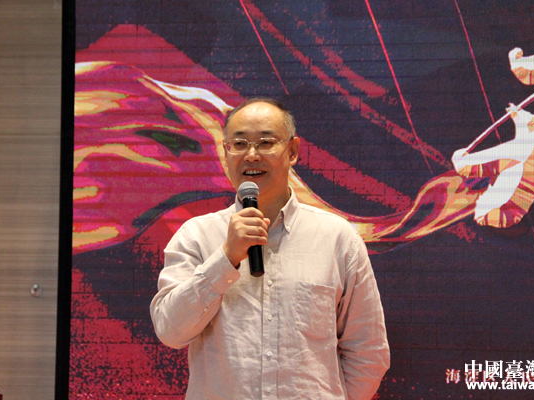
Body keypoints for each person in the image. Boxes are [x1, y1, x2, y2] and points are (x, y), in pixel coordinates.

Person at [150, 98, 390, 399]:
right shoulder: (196, 236)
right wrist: (226, 258)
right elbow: (170, 331)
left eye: (266, 143)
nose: (251, 155)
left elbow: (368, 352)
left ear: (292, 151)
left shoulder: (337, 238)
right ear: (225, 153)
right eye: (239, 144)